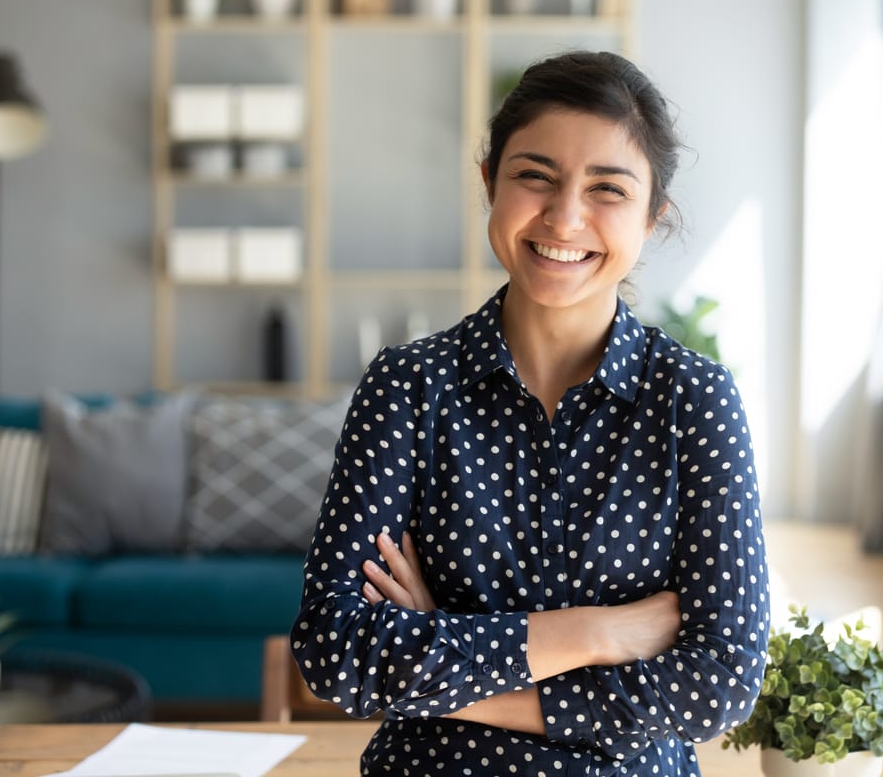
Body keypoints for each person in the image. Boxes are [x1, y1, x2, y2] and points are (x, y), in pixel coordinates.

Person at [291, 50, 770, 776]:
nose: (565, 216)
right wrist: (601, 633)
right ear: (490, 181)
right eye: (535, 176)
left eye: (607, 189)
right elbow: (334, 653)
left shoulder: (695, 402)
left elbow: (721, 683)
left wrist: (440, 651)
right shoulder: (406, 388)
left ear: (652, 217)